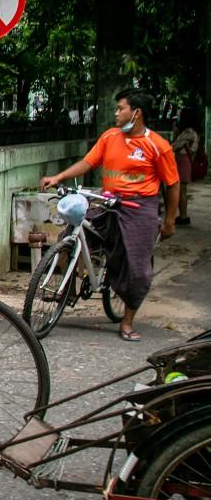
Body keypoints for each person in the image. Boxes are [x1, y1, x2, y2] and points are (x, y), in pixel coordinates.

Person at [42, 88, 179, 342]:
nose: (116, 113)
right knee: (69, 235)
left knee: (137, 269)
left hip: (140, 207)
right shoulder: (110, 137)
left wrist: (170, 220)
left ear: (136, 113)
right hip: (107, 201)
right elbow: (88, 162)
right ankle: (66, 290)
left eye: (120, 109)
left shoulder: (157, 145)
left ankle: (127, 322)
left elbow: (173, 184)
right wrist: (59, 177)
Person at [171, 108, 200, 225]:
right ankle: (183, 215)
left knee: (181, 189)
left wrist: (175, 131)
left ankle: (183, 216)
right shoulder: (194, 132)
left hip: (182, 161)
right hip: (185, 160)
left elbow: (174, 146)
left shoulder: (188, 132)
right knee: (182, 189)